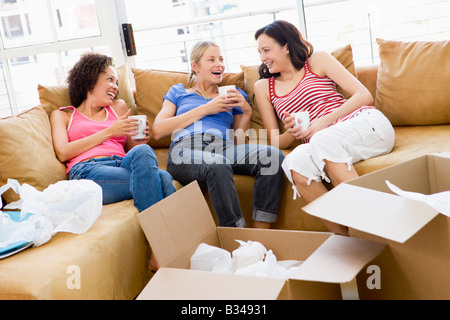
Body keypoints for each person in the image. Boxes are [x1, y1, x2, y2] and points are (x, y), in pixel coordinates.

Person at [254, 20, 395, 235]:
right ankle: (345, 238)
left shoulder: (317, 60)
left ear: (286, 46)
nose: (263, 58)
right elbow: (276, 141)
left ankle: (373, 228)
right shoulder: (264, 87)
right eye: (259, 52)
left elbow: (364, 95)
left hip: (362, 124)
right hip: (324, 145)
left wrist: (323, 122)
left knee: (322, 139)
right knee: (294, 162)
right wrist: (291, 133)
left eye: (266, 50)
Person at [153, 40, 285, 229]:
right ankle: (236, 235)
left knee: (272, 156)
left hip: (223, 147)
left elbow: (238, 142)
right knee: (217, 164)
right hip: (185, 149)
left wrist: (246, 112)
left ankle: (259, 235)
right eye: (211, 60)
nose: (219, 64)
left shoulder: (233, 94)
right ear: (195, 66)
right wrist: (206, 109)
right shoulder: (179, 92)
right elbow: (158, 130)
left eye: (221, 59)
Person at [50, 52, 176, 212]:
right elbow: (63, 152)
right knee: (162, 178)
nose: (115, 87)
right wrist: (110, 131)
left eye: (117, 82)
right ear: (90, 79)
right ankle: (169, 232)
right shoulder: (63, 115)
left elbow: (132, 150)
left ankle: (161, 231)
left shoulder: (118, 107)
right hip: (88, 170)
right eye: (110, 79)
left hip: (122, 164)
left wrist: (139, 140)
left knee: (144, 151)